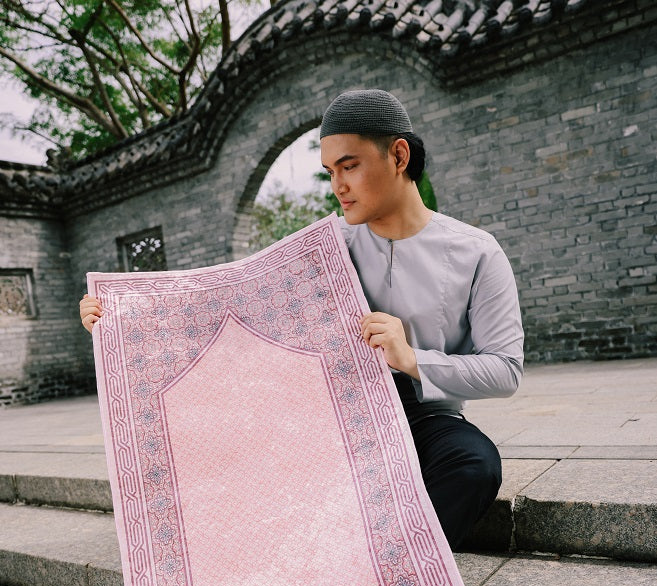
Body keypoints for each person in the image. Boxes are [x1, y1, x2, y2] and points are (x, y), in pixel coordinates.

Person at [81, 88, 524, 549]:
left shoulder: (476, 252)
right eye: (330, 172)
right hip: (333, 416)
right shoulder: (323, 248)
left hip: (426, 417)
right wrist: (124, 317)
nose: (338, 186)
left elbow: (505, 369)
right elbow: (227, 309)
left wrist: (412, 359)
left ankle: (393, 569)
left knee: (474, 465)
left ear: (398, 156)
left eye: (349, 166)